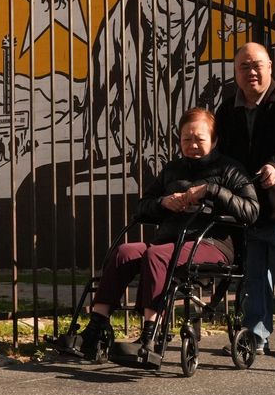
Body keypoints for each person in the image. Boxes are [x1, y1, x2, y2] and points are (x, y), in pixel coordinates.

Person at [76, 108, 260, 359]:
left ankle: (150, 337)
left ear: (215, 140)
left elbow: (251, 211)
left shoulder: (230, 170)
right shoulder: (172, 169)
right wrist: (163, 202)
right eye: (186, 139)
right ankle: (95, 329)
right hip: (170, 240)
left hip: (211, 243)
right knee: (124, 252)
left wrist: (212, 190)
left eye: (199, 139)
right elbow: (142, 207)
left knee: (157, 255)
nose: (192, 145)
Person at [215, 42, 275, 359]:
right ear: (235, 72)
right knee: (253, 278)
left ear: (270, 67)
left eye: (257, 64)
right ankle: (256, 336)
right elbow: (221, 153)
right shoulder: (227, 110)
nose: (251, 72)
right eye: (243, 66)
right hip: (247, 210)